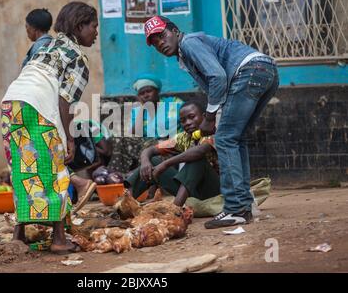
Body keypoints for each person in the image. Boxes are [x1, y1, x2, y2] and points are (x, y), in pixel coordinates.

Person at [144, 15, 279, 228]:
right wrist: (217, 113)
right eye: (154, 42)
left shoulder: (188, 43)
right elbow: (219, 84)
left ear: (175, 31)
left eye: (162, 35)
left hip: (248, 71)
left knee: (225, 139)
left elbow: (217, 77)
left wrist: (208, 118)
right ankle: (243, 205)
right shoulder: (185, 52)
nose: (160, 43)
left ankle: (235, 208)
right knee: (236, 138)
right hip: (265, 70)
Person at [1, 2, 98, 254]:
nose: (96, 32)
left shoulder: (48, 44)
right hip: (39, 106)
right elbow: (64, 100)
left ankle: (19, 235)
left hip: (12, 103)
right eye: (94, 26)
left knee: (25, 170)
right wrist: (69, 138)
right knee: (54, 170)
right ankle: (58, 240)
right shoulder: (78, 58)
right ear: (80, 26)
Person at [125, 100, 220, 207]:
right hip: (192, 192)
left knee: (197, 159)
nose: (187, 123)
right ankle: (126, 204)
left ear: (204, 117)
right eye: (183, 120)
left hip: (214, 192)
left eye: (192, 117)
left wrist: (165, 164)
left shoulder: (214, 133)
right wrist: (145, 161)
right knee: (153, 161)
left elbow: (200, 151)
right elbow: (150, 150)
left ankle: (175, 210)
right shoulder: (183, 137)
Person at [108, 74, 183, 174]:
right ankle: (116, 175)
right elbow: (135, 134)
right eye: (141, 93)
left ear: (157, 91)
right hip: (146, 146)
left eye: (149, 91)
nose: (146, 95)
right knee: (119, 138)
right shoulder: (138, 111)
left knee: (151, 143)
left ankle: (136, 173)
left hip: (171, 144)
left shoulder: (174, 104)